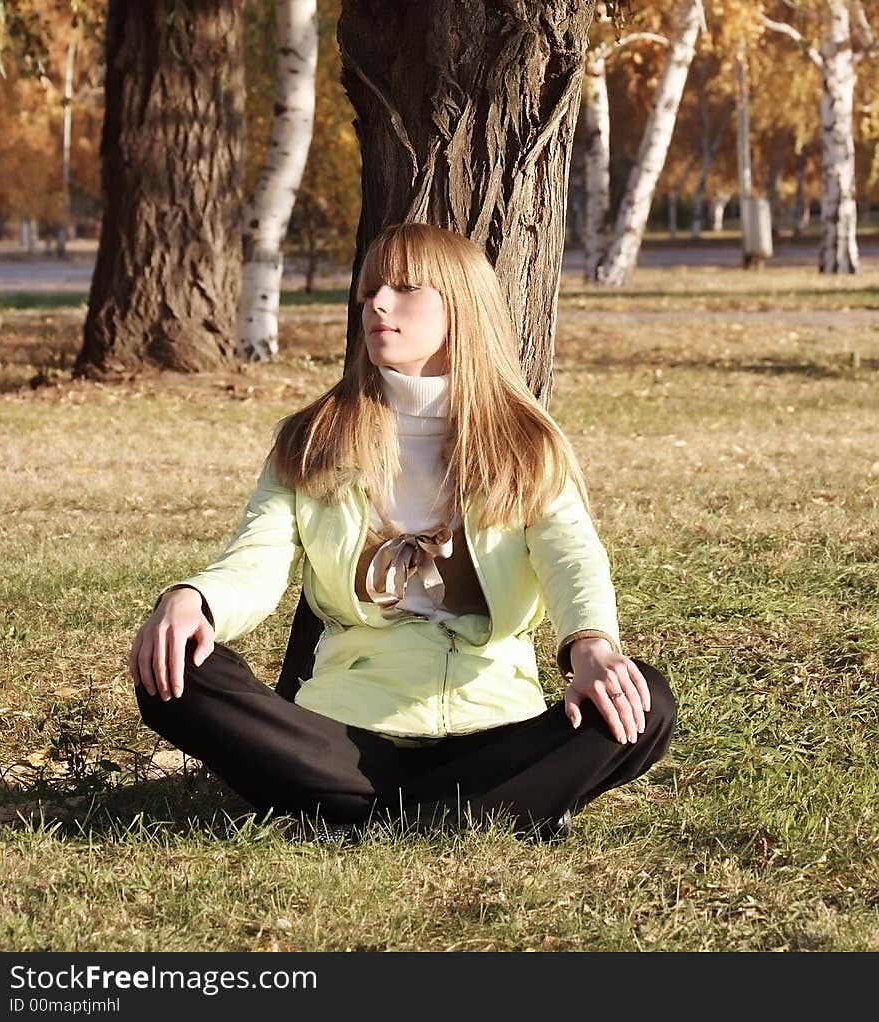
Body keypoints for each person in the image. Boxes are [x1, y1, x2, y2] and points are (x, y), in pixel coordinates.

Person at [130, 223, 675, 841]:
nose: (378, 303)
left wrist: (591, 646)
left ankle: (359, 817)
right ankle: (477, 812)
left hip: (494, 730)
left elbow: (571, 558)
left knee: (646, 704)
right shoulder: (310, 439)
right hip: (344, 737)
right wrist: (192, 599)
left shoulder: (527, 444)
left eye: (406, 288)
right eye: (369, 291)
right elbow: (255, 561)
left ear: (461, 307)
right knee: (175, 674)